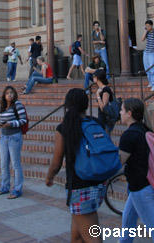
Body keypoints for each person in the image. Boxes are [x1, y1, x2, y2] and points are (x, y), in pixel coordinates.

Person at [45, 88, 105, 243]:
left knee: (92, 237)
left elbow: (56, 162)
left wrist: (49, 176)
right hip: (98, 183)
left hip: (80, 186)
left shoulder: (64, 128)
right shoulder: (95, 122)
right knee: (77, 236)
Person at [119, 98, 154, 243]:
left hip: (141, 187)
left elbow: (119, 162)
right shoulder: (145, 129)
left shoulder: (129, 136)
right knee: (128, 222)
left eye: (122, 110)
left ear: (129, 113)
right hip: (145, 184)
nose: (120, 112)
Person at [0, 86, 27, 198]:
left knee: (15, 164)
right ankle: (5, 186)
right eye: (7, 93)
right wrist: (2, 123)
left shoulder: (17, 104)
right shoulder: (3, 105)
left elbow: (23, 120)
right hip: (4, 136)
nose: (10, 95)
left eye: (12, 93)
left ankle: (17, 189)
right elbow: (4, 119)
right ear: (4, 95)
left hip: (14, 137)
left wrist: (11, 124)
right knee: (4, 164)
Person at [93, 69, 114, 134]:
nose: (93, 78)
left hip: (105, 120)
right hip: (102, 119)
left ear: (97, 78)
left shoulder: (105, 90)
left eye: (93, 76)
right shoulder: (101, 89)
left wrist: (98, 96)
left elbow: (103, 108)